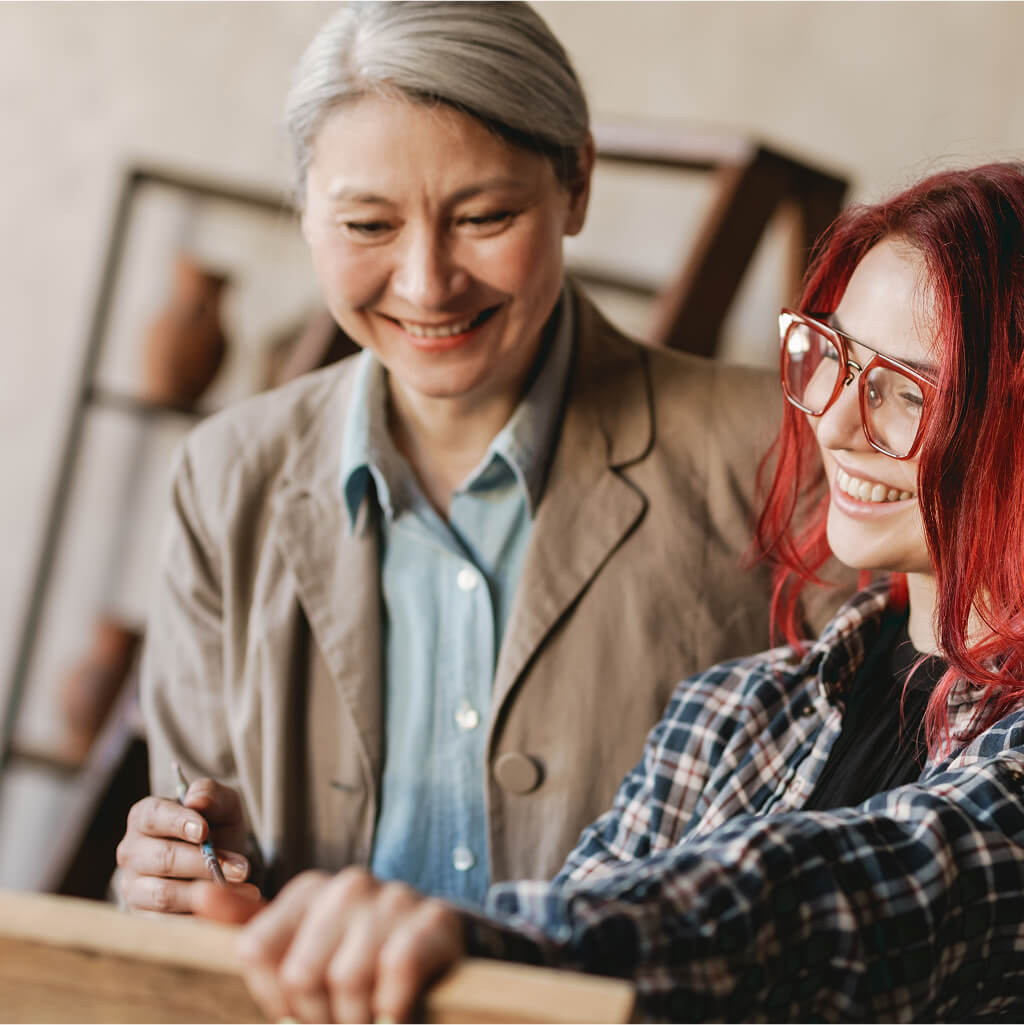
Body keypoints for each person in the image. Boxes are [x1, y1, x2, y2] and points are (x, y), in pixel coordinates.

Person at [195, 163, 1024, 1023]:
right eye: (835, 358)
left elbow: (846, 893)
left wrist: (486, 938)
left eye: (903, 391)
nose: (839, 424)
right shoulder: (732, 712)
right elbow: (546, 987)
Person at [116, 1, 806, 913]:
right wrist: (177, 884)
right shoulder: (226, 473)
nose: (426, 283)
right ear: (307, 212)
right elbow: (191, 861)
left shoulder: (773, 450)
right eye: (368, 226)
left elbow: (885, 820)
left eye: (483, 216)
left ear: (578, 185)